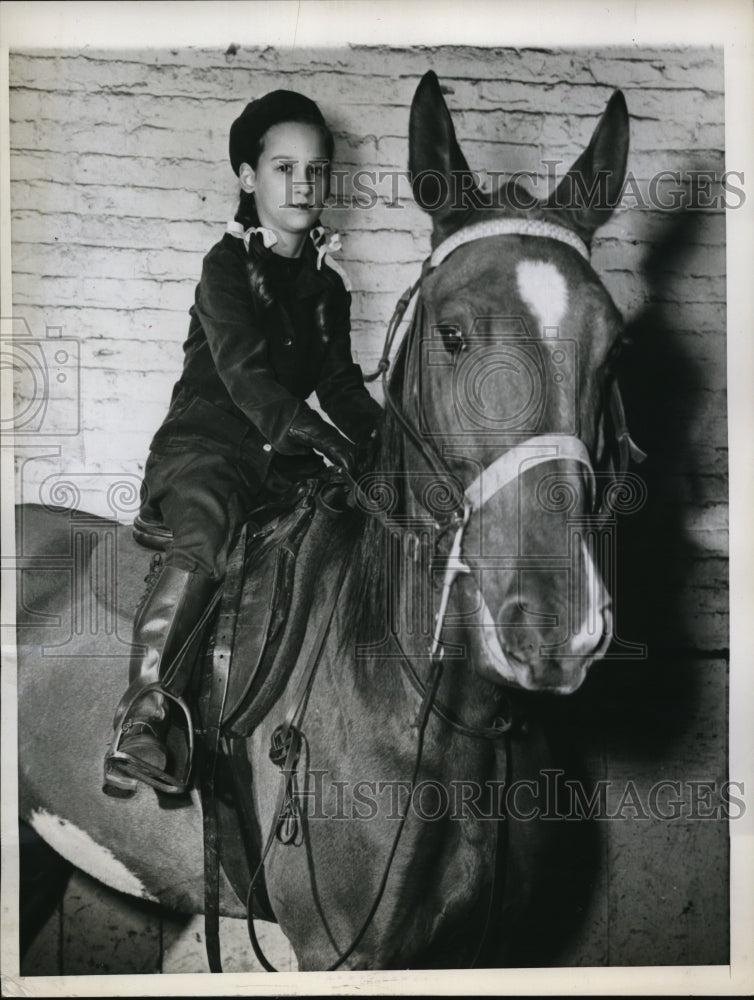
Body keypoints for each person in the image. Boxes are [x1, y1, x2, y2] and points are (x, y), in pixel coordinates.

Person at [103, 89, 382, 796]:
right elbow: (248, 380)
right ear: (249, 177)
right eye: (284, 168)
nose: (303, 184)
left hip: (277, 463)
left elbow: (340, 385)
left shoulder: (327, 289)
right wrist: (326, 441)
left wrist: (387, 443)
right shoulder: (224, 268)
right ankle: (143, 715)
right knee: (208, 534)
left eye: (315, 170)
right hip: (205, 451)